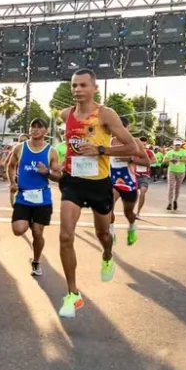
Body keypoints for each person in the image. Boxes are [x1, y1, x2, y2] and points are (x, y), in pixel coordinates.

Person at [56, 69, 137, 318]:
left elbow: (131, 147)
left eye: (83, 85)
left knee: (103, 234)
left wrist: (101, 149)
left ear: (94, 88)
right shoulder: (65, 114)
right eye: (74, 85)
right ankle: (73, 294)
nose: (77, 90)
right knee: (65, 236)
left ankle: (108, 255)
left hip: (99, 183)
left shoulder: (106, 114)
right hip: (73, 182)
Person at [8, 118, 61, 277]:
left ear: (46, 131)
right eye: (33, 126)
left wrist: (47, 172)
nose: (35, 129)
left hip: (42, 197)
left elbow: (59, 176)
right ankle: (29, 221)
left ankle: (36, 261)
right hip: (23, 196)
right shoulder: (20, 148)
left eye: (39, 127)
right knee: (18, 230)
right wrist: (12, 182)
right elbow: (11, 166)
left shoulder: (51, 151)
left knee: (37, 233)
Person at [108, 117, 149, 246]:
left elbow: (146, 162)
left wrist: (130, 160)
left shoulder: (135, 142)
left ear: (128, 128)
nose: (119, 129)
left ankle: (131, 226)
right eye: (116, 126)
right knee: (108, 207)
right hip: (112, 181)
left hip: (129, 182)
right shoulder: (108, 142)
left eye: (122, 126)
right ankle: (111, 231)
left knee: (128, 213)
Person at [163, 139, 186, 211]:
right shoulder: (169, 152)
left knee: (177, 187)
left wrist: (178, 159)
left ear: (180, 145)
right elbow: (164, 160)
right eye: (176, 145)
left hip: (181, 171)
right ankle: (169, 203)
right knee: (170, 187)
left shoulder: (184, 151)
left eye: (178, 145)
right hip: (171, 171)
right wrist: (171, 160)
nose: (177, 146)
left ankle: (175, 200)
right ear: (173, 145)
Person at [135, 136, 156, 218]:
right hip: (134, 174)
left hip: (145, 175)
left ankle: (138, 212)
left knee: (142, 192)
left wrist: (146, 162)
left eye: (144, 144)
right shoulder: (134, 151)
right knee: (133, 194)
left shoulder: (149, 152)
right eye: (141, 144)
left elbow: (154, 160)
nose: (143, 146)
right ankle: (131, 210)